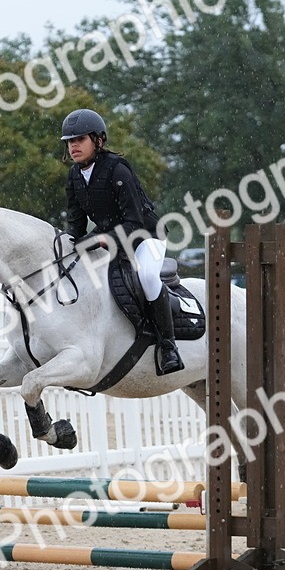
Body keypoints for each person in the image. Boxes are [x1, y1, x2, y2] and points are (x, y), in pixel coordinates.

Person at [60, 108, 183, 374]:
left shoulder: (117, 170)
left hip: (144, 237)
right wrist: (68, 244)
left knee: (147, 277)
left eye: (80, 139)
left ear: (98, 140)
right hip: (112, 236)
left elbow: (134, 221)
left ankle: (168, 346)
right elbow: (76, 223)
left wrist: (105, 239)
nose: (74, 146)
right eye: (70, 141)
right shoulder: (74, 176)